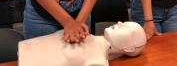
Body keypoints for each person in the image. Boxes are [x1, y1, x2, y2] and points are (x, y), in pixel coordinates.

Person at [18, 22, 147, 66]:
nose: (119, 23)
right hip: (27, 50)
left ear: (129, 48)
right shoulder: (82, 33)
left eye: (126, 28)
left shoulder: (98, 61)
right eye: (124, 22)